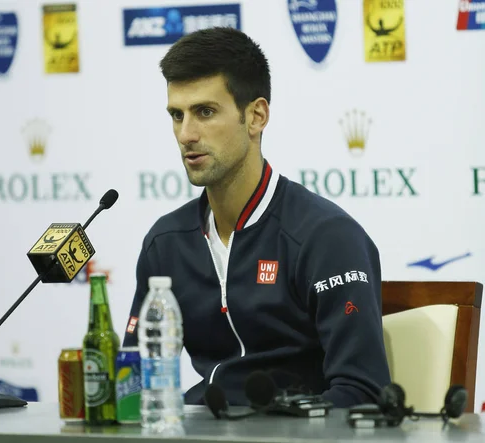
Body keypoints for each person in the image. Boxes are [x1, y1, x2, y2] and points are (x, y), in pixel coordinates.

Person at [123, 27, 391, 408]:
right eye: (176, 115)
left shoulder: (326, 237)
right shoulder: (165, 242)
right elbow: (134, 382)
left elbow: (362, 392)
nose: (186, 134)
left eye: (205, 112)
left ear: (256, 116)